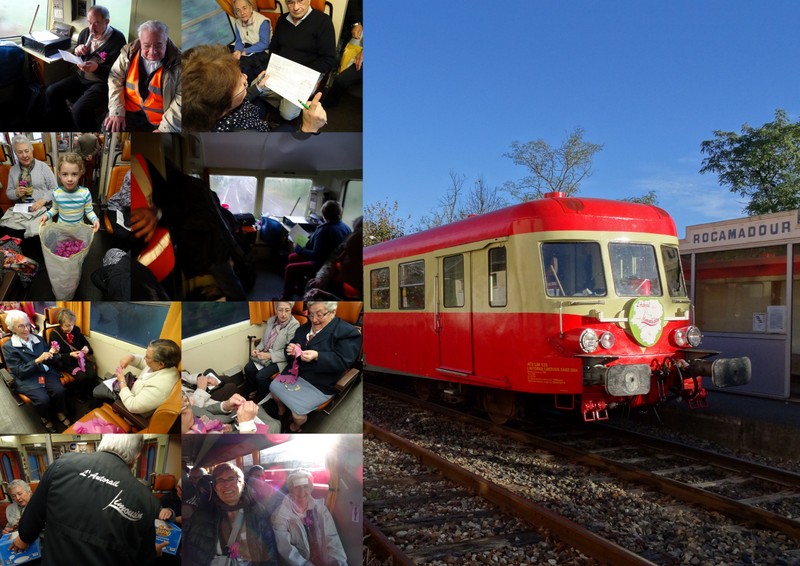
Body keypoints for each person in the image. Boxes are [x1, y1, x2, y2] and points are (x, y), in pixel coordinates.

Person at [12, 435, 166, 565]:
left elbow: (33, 518)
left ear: (103, 443)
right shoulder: (146, 499)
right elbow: (145, 558)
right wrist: (154, 552)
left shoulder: (62, 464)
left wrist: (24, 537)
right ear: (137, 455)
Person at [182, 44, 327, 133]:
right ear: (225, 104)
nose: (245, 76)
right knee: (288, 128)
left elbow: (241, 97)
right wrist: (308, 128)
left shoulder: (212, 110)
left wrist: (257, 87)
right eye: (240, 81)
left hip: (249, 115)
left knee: (259, 103)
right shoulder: (244, 136)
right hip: (260, 134)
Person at [269, 301, 361, 432]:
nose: (314, 320)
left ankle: (295, 426)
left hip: (319, 382)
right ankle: (281, 410)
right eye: (311, 315)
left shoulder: (348, 332)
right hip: (295, 374)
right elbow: (290, 347)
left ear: (333, 312)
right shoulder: (304, 328)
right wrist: (290, 350)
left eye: (319, 314)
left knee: (297, 414)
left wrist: (318, 356)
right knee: (273, 388)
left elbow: (343, 362)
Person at [45, 6, 127, 131]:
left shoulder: (118, 39)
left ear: (107, 22)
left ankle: (91, 135)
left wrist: (97, 68)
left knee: (78, 110)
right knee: (52, 91)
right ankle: (63, 125)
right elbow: (77, 57)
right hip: (81, 77)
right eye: (89, 23)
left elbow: (117, 72)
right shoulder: (85, 33)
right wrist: (77, 52)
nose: (92, 28)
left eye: (96, 23)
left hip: (101, 83)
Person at [183, 463, 279, 565]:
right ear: (215, 488)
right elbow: (188, 551)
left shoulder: (258, 512)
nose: (226, 485)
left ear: (242, 485)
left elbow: (270, 552)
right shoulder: (200, 514)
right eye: (220, 480)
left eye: (232, 479)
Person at [261, 0, 337, 121]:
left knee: (287, 113)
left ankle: (282, 100)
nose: (295, 7)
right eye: (291, 2)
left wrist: (307, 76)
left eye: (300, 1)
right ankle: (282, 97)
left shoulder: (323, 21)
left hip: (307, 73)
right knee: (257, 86)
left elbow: (328, 59)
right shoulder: (282, 20)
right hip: (283, 69)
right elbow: (273, 48)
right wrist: (275, 68)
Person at [105, 20, 181, 132]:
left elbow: (181, 100)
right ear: (140, 42)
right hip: (127, 111)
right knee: (109, 129)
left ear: (166, 42)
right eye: (146, 46)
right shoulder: (127, 54)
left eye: (158, 46)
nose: (152, 52)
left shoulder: (180, 63)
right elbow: (114, 78)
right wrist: (117, 111)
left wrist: (166, 128)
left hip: (160, 121)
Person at [2, 310, 69, 432]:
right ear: (13, 328)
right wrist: (37, 360)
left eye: (27, 324)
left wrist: (53, 354)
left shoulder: (38, 339)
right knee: (43, 399)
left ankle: (60, 412)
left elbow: (49, 359)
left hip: (44, 371)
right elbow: (19, 371)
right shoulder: (8, 347)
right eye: (21, 326)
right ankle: (46, 418)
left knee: (59, 391)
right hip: (27, 377)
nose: (26, 329)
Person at [271, 469, 347, 565]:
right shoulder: (279, 515)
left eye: (305, 486)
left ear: (311, 488)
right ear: (290, 490)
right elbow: (286, 549)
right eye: (297, 487)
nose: (302, 491)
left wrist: (339, 563)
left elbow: (332, 539)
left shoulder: (321, 509)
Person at [92, 338, 180, 418]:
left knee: (97, 391)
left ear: (161, 364)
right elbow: (142, 361)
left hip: (131, 409)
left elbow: (133, 406)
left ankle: (93, 413)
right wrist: (131, 357)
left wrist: (122, 382)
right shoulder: (162, 366)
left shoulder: (161, 386)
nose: (144, 358)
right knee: (108, 381)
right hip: (132, 390)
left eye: (148, 357)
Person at [282, 201, 351, 298]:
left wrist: (298, 248)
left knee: (290, 268)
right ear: (339, 213)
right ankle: (300, 288)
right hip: (334, 262)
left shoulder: (324, 230)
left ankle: (286, 298)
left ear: (324, 215)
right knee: (292, 257)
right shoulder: (346, 228)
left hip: (322, 263)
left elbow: (316, 255)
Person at [243, 301, 300, 402]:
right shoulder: (271, 320)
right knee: (248, 368)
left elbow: (288, 353)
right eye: (280, 310)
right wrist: (257, 349)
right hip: (265, 354)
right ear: (275, 310)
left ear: (291, 310)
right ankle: (252, 391)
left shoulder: (294, 325)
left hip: (281, 359)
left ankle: (263, 400)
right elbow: (265, 341)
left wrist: (269, 355)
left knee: (261, 377)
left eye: (287, 310)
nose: (283, 314)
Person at [0, 135, 55, 240]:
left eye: (27, 151)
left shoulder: (43, 167)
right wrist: (16, 192)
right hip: (22, 209)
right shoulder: (13, 170)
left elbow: (55, 189)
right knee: (8, 228)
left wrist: (43, 200)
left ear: (32, 150)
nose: (24, 155)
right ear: (15, 154)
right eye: (20, 152)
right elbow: (9, 193)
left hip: (41, 207)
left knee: (38, 232)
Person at [40, 153, 100, 233]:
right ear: (59, 175)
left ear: (80, 174)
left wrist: (95, 219)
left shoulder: (85, 193)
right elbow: (55, 208)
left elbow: (89, 211)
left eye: (74, 174)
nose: (69, 179)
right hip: (62, 230)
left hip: (78, 230)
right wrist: (46, 215)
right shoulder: (56, 193)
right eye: (65, 174)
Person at [48, 307, 97, 400]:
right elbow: (55, 356)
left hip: (80, 359)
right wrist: (70, 355)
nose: (70, 328)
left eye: (72, 325)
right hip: (66, 361)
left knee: (92, 374)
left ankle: (88, 393)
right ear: (60, 324)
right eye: (67, 325)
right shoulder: (54, 334)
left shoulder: (76, 330)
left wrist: (86, 347)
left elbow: (85, 342)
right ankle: (79, 396)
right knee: (81, 377)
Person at [232, 0, 271, 83]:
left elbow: (264, 44)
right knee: (231, 61)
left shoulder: (263, 22)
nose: (242, 13)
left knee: (244, 67)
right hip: (246, 48)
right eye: (238, 10)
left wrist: (245, 51)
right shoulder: (237, 23)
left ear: (251, 7)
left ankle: (245, 88)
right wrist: (238, 51)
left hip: (262, 51)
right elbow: (239, 41)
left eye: (244, 8)